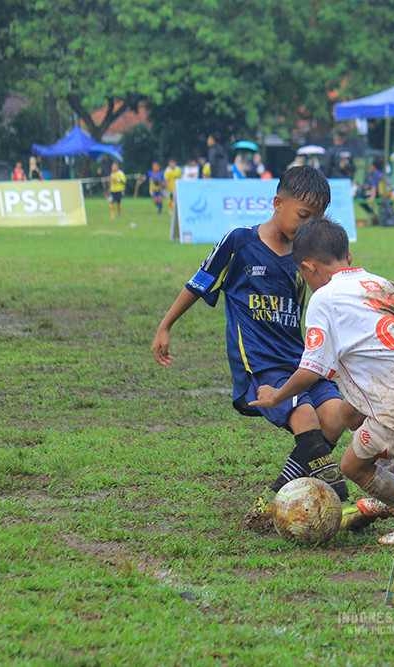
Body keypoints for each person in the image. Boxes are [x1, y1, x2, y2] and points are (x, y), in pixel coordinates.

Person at [250, 217, 394, 545]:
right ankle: (388, 495)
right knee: (350, 413)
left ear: (308, 267)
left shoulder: (323, 299)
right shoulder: (378, 283)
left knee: (352, 467)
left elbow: (311, 370)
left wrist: (276, 396)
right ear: (349, 257)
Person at [152, 166, 351, 516]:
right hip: (260, 364)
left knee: (335, 417)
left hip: (302, 360)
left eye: (315, 219)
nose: (308, 226)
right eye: (303, 216)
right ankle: (336, 494)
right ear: (277, 202)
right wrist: (166, 326)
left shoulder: (305, 257)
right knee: (303, 414)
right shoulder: (240, 242)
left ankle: (274, 497)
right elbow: (198, 284)